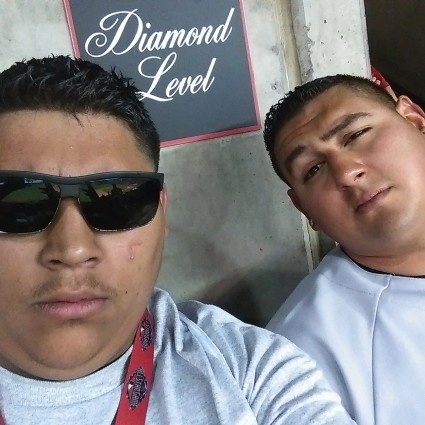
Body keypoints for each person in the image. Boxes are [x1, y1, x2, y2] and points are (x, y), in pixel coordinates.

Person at [0, 55, 355, 425]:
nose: (73, 250)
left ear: (161, 211)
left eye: (117, 201)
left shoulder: (252, 373)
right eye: (17, 205)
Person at [263, 74, 425, 425]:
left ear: (415, 120)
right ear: (303, 209)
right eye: (313, 170)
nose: (347, 172)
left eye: (355, 135)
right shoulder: (301, 357)